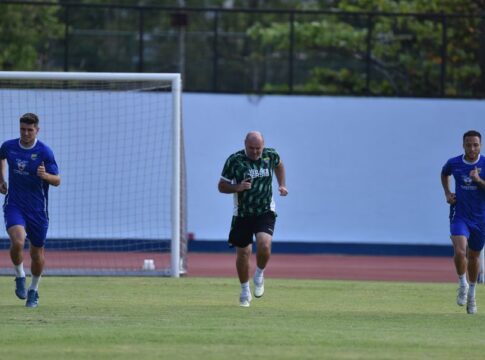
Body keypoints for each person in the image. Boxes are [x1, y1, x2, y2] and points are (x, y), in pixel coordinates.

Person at [218, 131, 288, 307]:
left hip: (265, 209)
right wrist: (238, 187)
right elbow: (221, 186)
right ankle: (244, 290)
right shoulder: (234, 160)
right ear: (245, 144)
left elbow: (279, 165)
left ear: (263, 145)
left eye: (258, 148)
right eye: (251, 148)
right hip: (243, 213)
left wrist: (281, 185)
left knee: (264, 244)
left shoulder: (270, 155)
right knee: (243, 253)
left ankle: (259, 273)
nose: (255, 152)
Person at [0, 113, 61, 308]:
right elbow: (1, 157)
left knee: (37, 254)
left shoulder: (45, 152)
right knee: (17, 241)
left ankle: (33, 290)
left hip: (37, 210)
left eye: (30, 130)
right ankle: (19, 275)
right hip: (15, 204)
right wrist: (1, 179)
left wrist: (45, 176)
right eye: (22, 129)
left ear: (37, 130)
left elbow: (57, 180)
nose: (25, 133)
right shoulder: (9, 146)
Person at [441, 130, 485, 314]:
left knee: (474, 257)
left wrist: (478, 180)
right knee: (460, 251)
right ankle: (462, 283)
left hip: (480, 219)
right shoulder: (454, 163)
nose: (472, 148)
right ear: (463, 145)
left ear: (480, 145)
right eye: (469, 144)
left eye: (475, 144)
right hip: (460, 215)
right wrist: (447, 193)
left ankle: (472, 296)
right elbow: (444, 174)